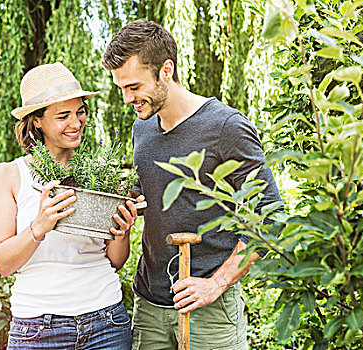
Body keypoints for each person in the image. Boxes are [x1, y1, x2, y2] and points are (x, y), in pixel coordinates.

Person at [102, 19, 282, 349]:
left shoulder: (225, 126)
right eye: (122, 88)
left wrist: (216, 284)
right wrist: (129, 204)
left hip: (209, 311)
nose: (127, 99)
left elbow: (270, 217)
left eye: (134, 87)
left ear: (166, 70)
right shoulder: (141, 129)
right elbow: (151, 192)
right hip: (149, 305)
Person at [0, 62, 141, 350]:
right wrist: (39, 226)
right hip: (37, 328)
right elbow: (3, 263)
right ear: (37, 121)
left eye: (80, 111)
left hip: (106, 321)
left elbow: (115, 261)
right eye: (63, 116)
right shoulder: (7, 175)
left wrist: (122, 231)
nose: (76, 122)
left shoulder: (99, 175)